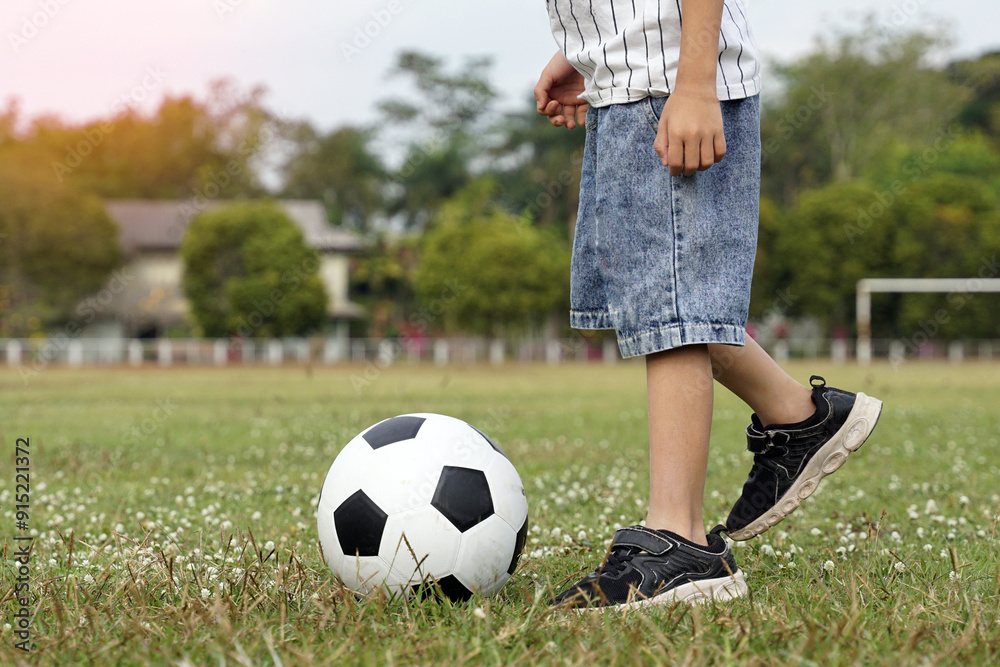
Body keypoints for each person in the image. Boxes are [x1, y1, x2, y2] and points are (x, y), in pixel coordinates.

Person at [534, 0, 883, 609]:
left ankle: (680, 541)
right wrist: (586, 48)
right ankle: (796, 415)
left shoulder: (681, 81)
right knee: (658, 297)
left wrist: (693, 84)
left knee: (671, 308)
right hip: (630, 78)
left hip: (670, 82)